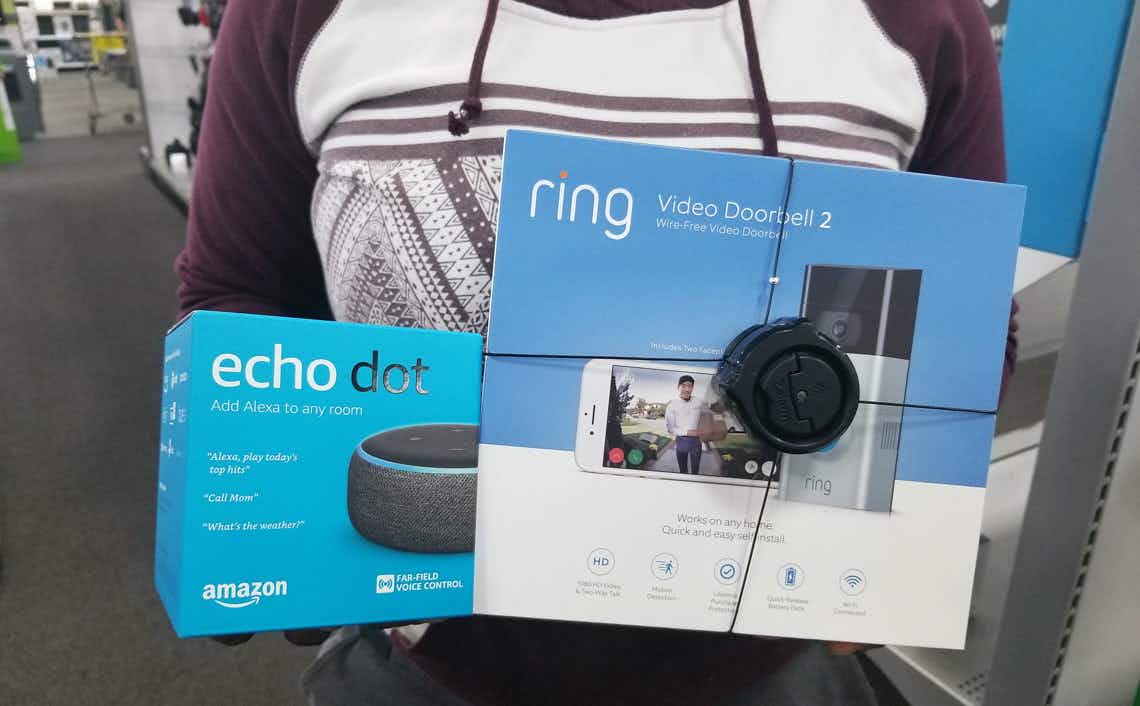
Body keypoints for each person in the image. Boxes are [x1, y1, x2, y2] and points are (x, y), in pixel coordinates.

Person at [176, 0, 1019, 703]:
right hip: (425, 652)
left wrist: (897, 528)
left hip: (766, 651)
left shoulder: (914, 20)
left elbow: (972, 329)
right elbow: (237, 291)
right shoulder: (303, 11)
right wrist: (270, 519)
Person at [665, 375, 706, 475]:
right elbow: (670, 429)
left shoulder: (699, 402)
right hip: (682, 442)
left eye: (689, 386)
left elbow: (706, 415)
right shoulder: (672, 405)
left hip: (697, 442)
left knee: (695, 469)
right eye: (683, 386)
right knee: (683, 470)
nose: (687, 389)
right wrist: (687, 432)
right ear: (678, 387)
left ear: (692, 388)